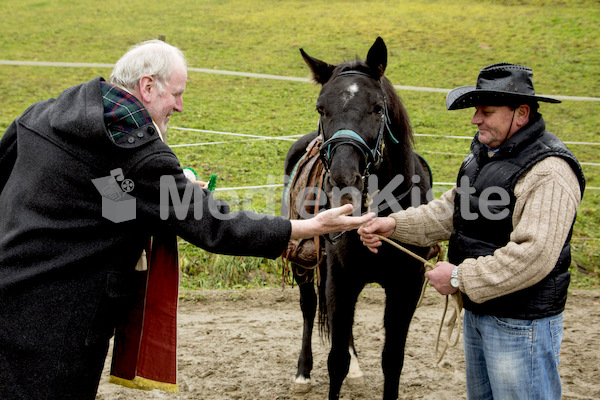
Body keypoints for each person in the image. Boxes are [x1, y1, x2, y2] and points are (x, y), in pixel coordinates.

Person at [0, 40, 373, 400]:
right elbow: (214, 225)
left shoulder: (45, 114)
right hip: (59, 332)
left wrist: (154, 197)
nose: (179, 107)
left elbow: (91, 195)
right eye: (176, 94)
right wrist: (304, 227)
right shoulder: (139, 152)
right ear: (147, 86)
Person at [358, 63, 585, 399]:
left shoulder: (549, 171)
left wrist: (458, 278)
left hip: (521, 324)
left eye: (486, 111)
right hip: (480, 310)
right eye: (476, 110)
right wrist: (394, 224)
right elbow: (451, 209)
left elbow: (533, 255)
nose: (475, 119)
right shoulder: (483, 157)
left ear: (520, 114)